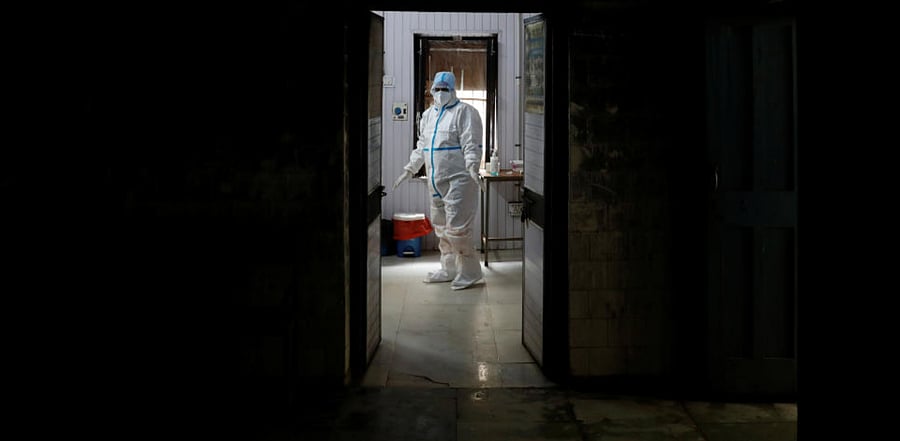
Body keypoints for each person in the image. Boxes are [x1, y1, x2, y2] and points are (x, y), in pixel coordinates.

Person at [392, 71, 485, 290]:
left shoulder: (466, 113)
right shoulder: (428, 116)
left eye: (445, 89)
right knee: (442, 229)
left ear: (453, 91)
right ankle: (448, 268)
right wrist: (409, 169)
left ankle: (470, 272)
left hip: (459, 180)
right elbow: (422, 146)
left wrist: (472, 166)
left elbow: (472, 144)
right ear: (432, 90)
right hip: (435, 180)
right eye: (437, 89)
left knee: (458, 230)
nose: (441, 93)